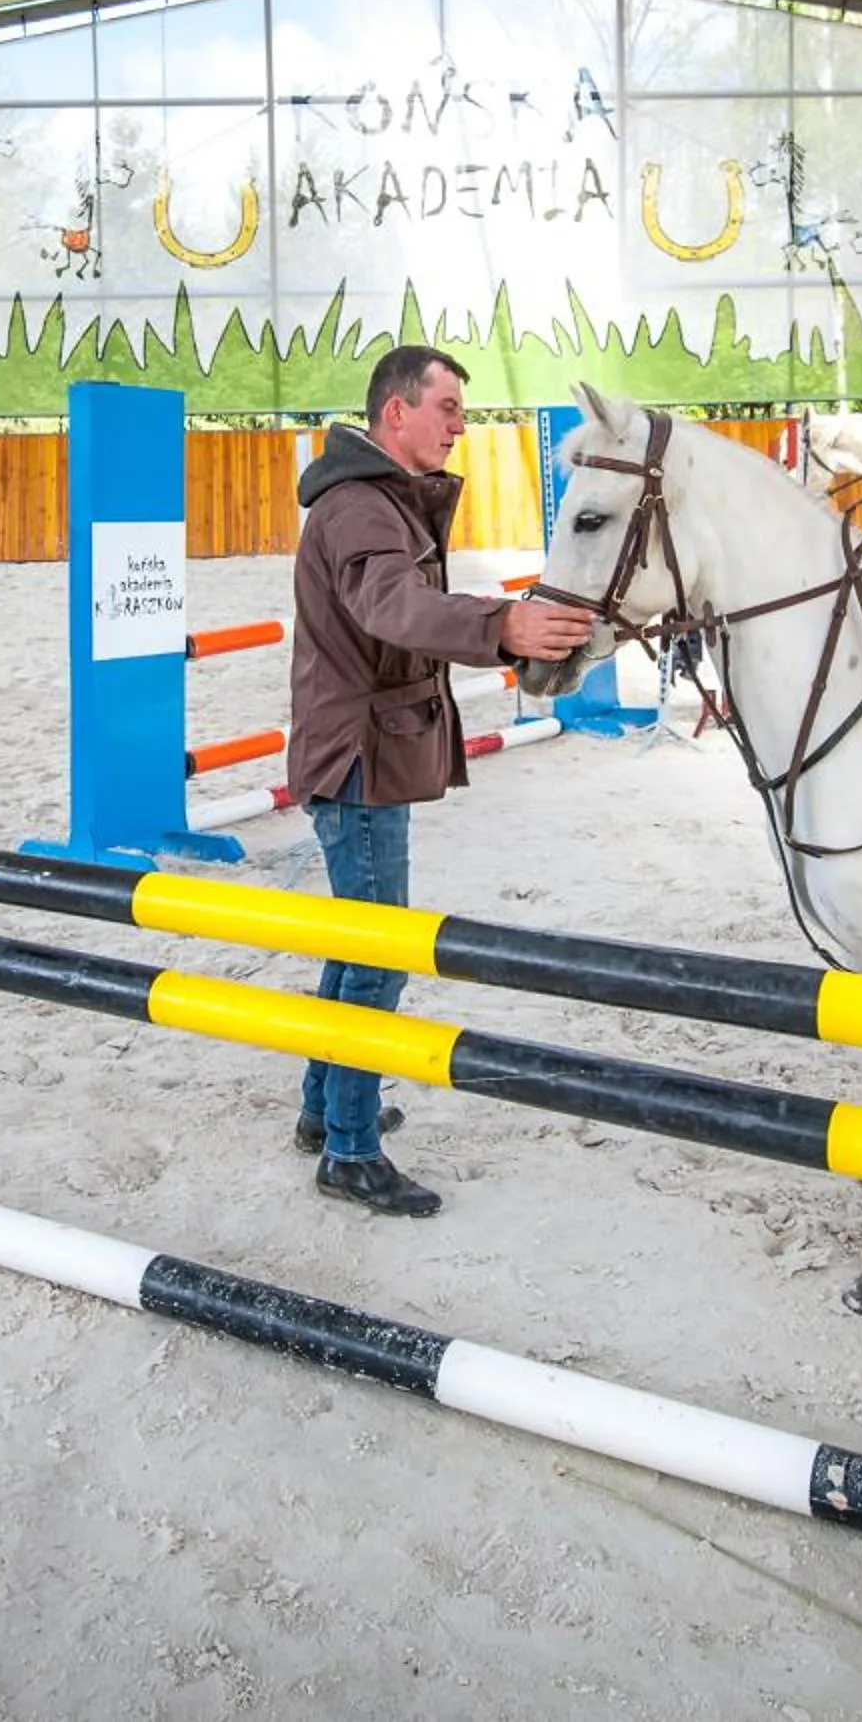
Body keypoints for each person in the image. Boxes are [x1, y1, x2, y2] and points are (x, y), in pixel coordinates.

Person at [287, 344, 595, 1215]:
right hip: (359, 759)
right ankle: (348, 1150)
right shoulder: (361, 508)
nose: (461, 425)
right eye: (449, 408)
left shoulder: (372, 498)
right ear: (397, 413)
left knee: (358, 943)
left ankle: (325, 1109)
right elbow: (396, 607)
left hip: (362, 747)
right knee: (380, 953)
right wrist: (503, 628)